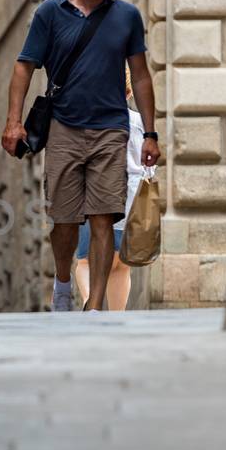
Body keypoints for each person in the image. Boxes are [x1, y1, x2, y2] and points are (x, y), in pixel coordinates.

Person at [1, 0, 160, 313]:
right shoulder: (50, 13)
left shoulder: (126, 17)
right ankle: (62, 281)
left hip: (111, 130)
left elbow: (140, 76)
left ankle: (95, 302)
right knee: (65, 222)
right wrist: (13, 123)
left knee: (103, 217)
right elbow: (24, 66)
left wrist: (150, 133)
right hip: (64, 129)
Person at [74, 74, 145, 311]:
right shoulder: (139, 122)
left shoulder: (88, 121)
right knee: (121, 265)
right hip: (131, 201)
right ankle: (117, 316)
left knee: (85, 261)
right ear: (129, 93)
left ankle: (88, 302)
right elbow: (149, 165)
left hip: (95, 197)